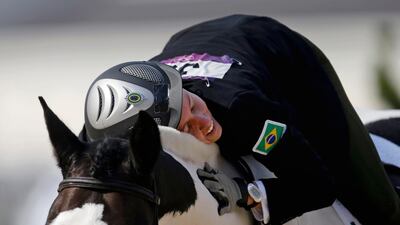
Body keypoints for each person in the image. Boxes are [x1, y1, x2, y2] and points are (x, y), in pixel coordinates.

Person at [82, 15, 400, 225]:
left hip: (285, 58)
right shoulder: (99, 134)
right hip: (198, 41)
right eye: (187, 129)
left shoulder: (241, 110)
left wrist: (245, 193)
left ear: (180, 87)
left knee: (380, 208)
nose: (203, 124)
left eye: (193, 107)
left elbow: (318, 185)